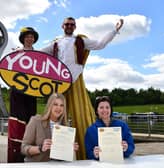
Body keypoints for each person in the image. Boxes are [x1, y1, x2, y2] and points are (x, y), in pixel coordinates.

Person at [41, 17, 124, 159]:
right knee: (57, 114)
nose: (69, 26)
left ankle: (87, 151)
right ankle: (56, 153)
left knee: (81, 112)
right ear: (62, 26)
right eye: (67, 24)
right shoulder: (56, 43)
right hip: (60, 81)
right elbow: (39, 53)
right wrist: (22, 52)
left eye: (72, 24)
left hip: (76, 79)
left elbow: (100, 44)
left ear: (75, 27)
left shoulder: (81, 40)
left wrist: (114, 30)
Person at [8, 27, 39, 163]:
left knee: (31, 124)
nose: (29, 39)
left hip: (32, 94)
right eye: (27, 36)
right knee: (17, 125)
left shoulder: (39, 56)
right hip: (17, 94)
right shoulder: (15, 53)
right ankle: (15, 159)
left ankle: (29, 156)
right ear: (23, 38)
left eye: (32, 36)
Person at [21, 93, 79, 162]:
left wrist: (71, 149)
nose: (58, 108)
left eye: (62, 105)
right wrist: (40, 148)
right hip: (38, 165)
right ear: (49, 105)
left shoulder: (66, 127)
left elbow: (66, 155)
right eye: (55, 104)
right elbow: (23, 148)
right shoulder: (36, 121)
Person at [84, 96, 135, 160]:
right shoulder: (90, 130)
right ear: (97, 110)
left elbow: (131, 147)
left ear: (111, 110)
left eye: (107, 107)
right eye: (101, 107)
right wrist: (94, 154)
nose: (105, 110)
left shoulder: (122, 126)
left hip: (121, 163)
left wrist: (126, 148)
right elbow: (88, 153)